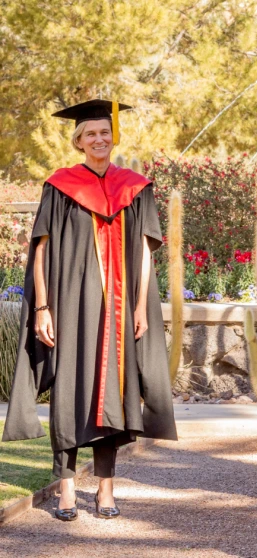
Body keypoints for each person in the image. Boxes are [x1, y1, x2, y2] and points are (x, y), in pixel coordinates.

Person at [2, 99, 177, 521]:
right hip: (68, 305)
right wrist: (42, 307)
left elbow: (146, 254)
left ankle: (105, 490)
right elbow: (40, 250)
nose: (98, 139)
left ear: (113, 137)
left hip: (117, 313)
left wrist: (140, 307)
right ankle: (65, 488)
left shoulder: (135, 188)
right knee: (68, 394)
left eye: (104, 132)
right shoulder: (60, 186)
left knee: (112, 399)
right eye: (90, 134)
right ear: (78, 141)